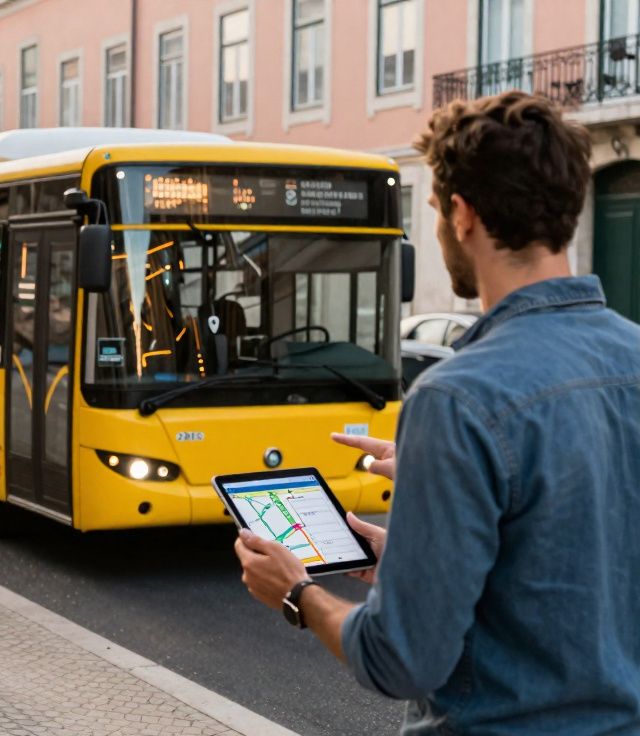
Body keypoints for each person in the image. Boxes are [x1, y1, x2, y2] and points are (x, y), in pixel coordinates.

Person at [234, 91, 640, 734]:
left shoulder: (457, 399)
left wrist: (297, 594)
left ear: (462, 214)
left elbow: (402, 659)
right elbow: (583, 568)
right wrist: (413, 555)